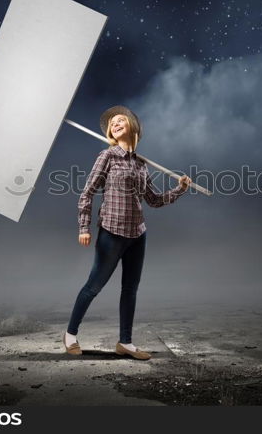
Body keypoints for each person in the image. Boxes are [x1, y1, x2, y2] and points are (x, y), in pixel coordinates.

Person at [63, 105, 192, 360]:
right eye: (112, 123)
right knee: (93, 287)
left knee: (130, 289)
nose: (115, 124)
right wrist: (83, 227)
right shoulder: (107, 156)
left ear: (132, 125)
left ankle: (125, 342)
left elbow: (153, 200)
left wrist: (180, 188)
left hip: (138, 235)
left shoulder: (142, 164)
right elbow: (87, 193)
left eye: (120, 120)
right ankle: (70, 335)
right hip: (112, 232)